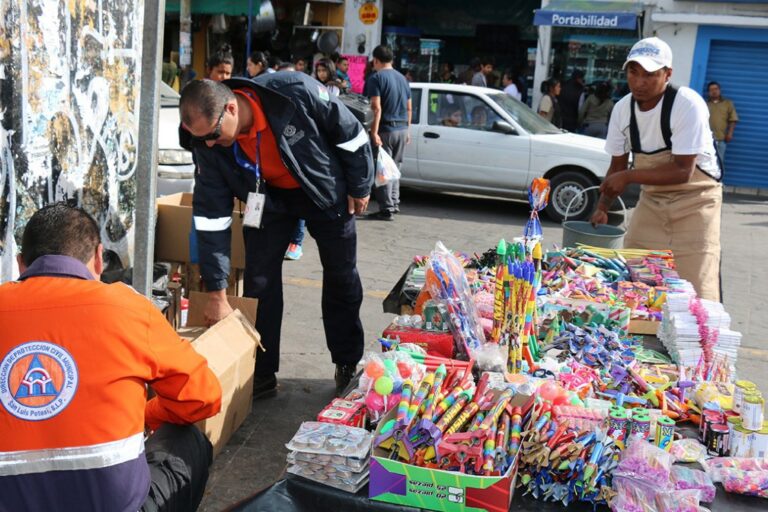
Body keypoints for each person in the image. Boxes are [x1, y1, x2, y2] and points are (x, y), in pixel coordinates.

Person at [0, 203, 221, 511]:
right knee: (187, 440)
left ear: (22, 263)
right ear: (99, 257)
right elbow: (203, 398)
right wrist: (147, 415)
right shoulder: (126, 308)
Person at [179, 76, 373, 398]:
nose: (210, 144)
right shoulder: (207, 144)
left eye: (213, 134)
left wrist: (360, 185)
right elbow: (211, 217)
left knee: (341, 276)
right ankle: (263, 372)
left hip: (322, 192)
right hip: (267, 199)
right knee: (260, 281)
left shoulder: (293, 93)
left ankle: (346, 361)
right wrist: (216, 291)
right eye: (201, 139)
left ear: (230, 108)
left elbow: (350, 133)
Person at [590, 37, 722, 301]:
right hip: (652, 199)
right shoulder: (622, 110)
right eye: (633, 72)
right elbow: (617, 167)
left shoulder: (687, 104)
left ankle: (701, 339)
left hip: (697, 199)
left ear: (667, 74)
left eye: (650, 74)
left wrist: (628, 175)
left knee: (696, 280)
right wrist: (602, 207)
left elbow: (683, 170)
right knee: (636, 271)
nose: (639, 82)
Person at [366, 45, 412, 221]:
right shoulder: (402, 78)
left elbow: (376, 108)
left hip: (385, 129)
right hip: (401, 129)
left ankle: (386, 208)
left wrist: (374, 132)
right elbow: (409, 108)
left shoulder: (376, 78)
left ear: (376, 60)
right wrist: (408, 130)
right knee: (395, 168)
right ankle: (394, 202)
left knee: (383, 169)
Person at [706, 81, 738, 165]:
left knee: (718, 164)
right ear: (708, 92)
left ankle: (717, 179)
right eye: (711, 90)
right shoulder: (705, 104)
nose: (714, 91)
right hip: (706, 141)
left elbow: (733, 119)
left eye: (716, 89)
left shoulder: (727, 104)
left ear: (719, 90)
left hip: (721, 140)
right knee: (706, 164)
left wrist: (730, 134)